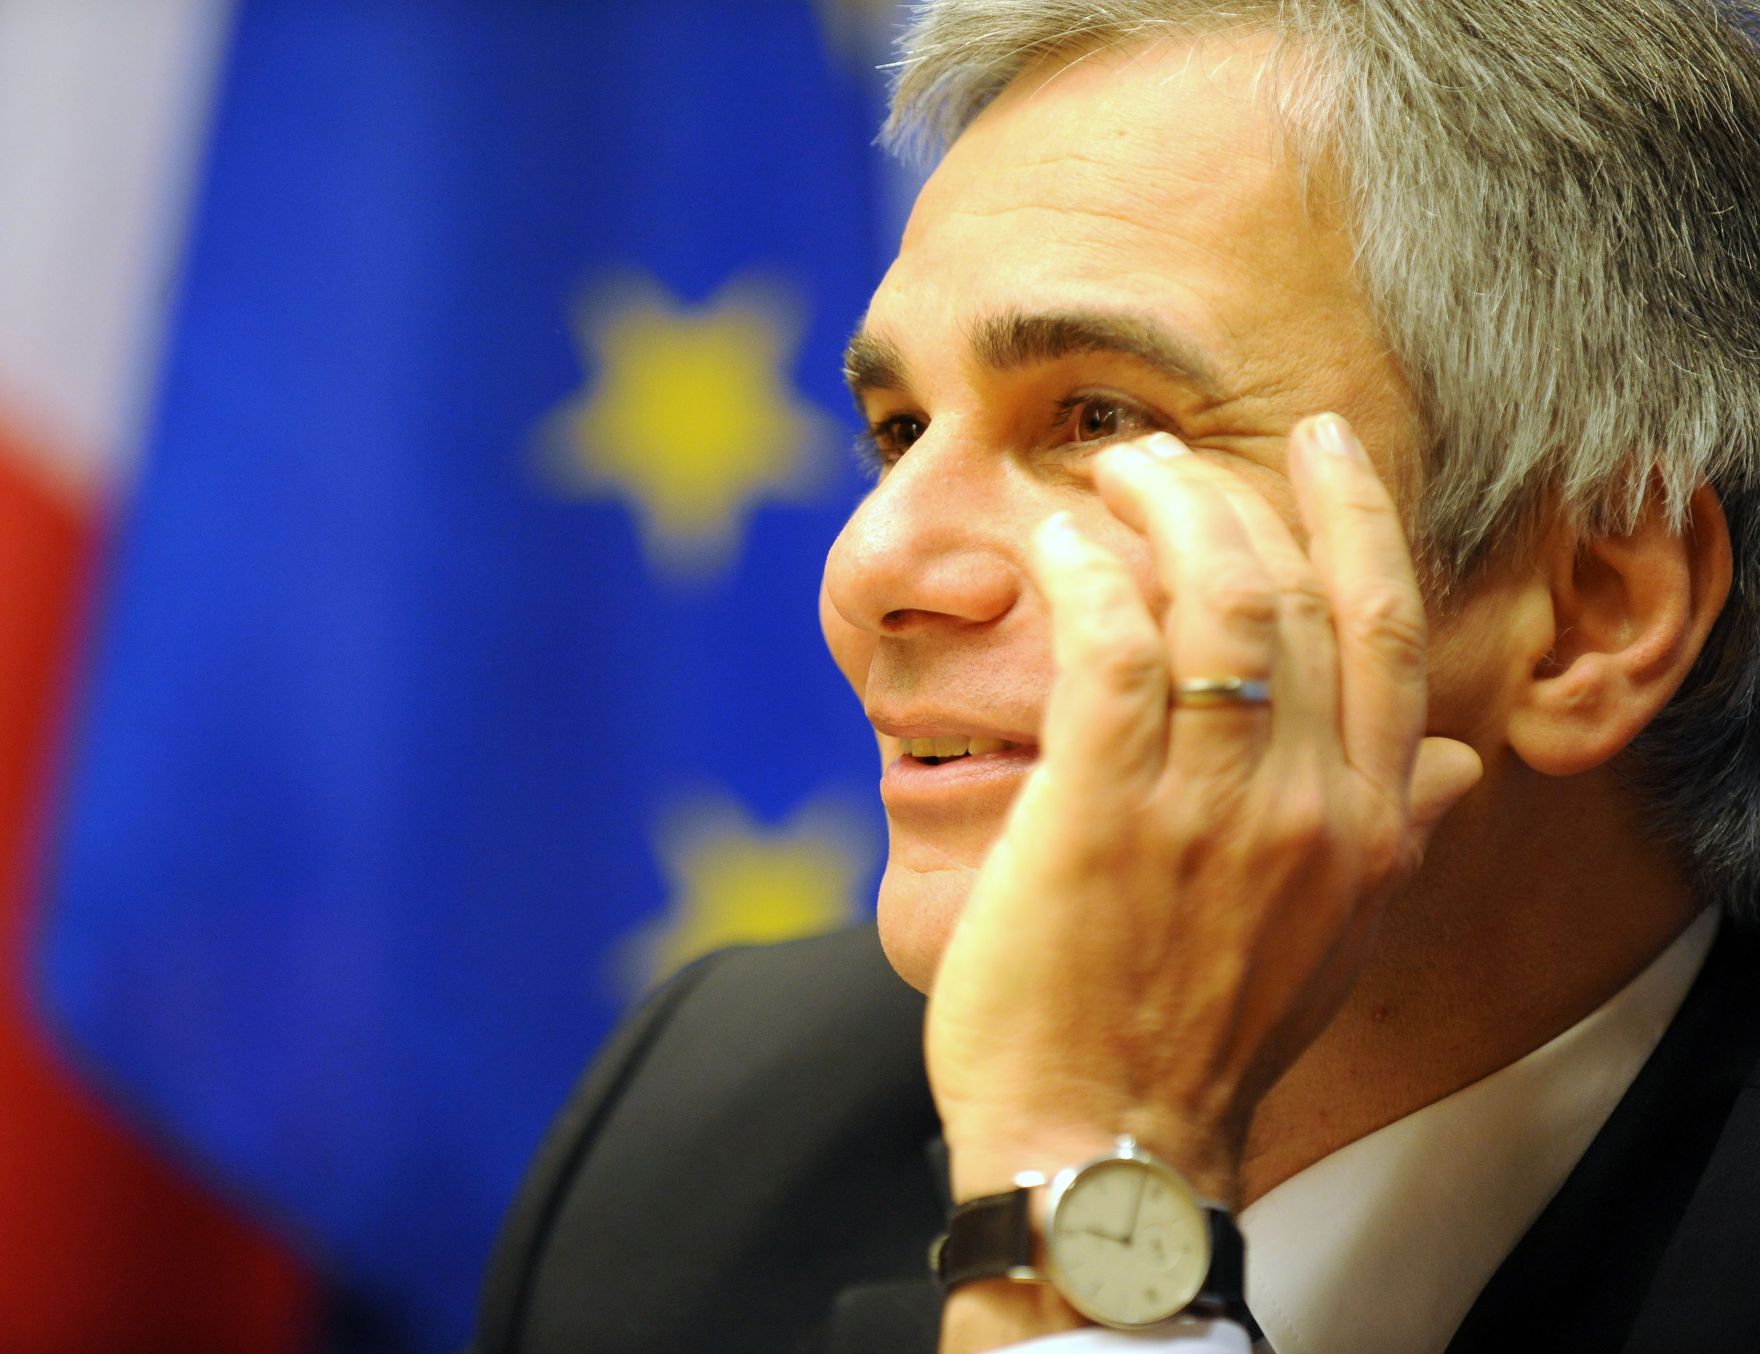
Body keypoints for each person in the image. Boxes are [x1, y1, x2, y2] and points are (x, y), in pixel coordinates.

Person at [473, 2, 1760, 1351]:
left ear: (1590, 612)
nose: (871, 564)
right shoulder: (709, 1142)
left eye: (1100, 419)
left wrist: (1085, 1185)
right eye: (898, 429)